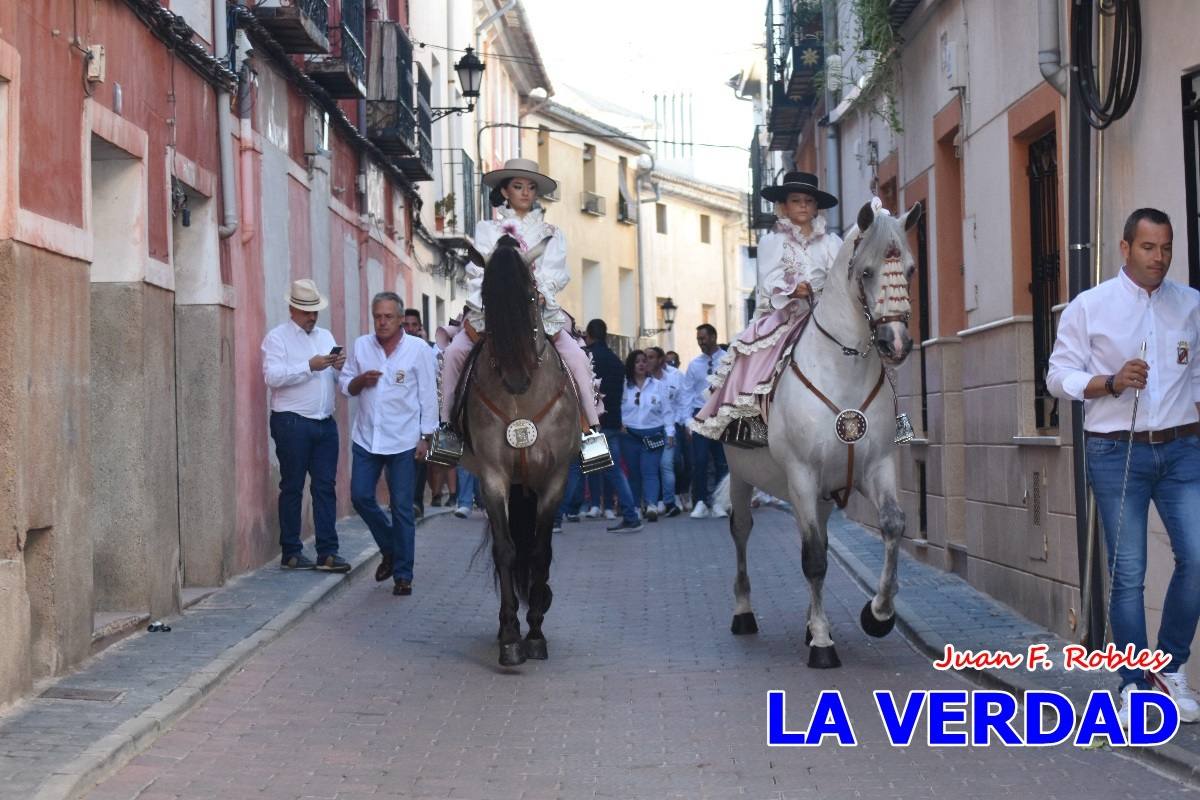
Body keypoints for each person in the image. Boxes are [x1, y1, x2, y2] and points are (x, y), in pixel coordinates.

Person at [1046, 207, 1200, 729]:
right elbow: (1057, 377)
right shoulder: (1090, 308)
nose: (1159, 258)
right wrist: (1109, 382)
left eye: (1166, 248)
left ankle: (1170, 668)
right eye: (1148, 248)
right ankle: (1136, 686)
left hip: (1181, 451)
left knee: (1197, 558)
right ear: (1125, 248)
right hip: (1115, 452)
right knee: (1128, 573)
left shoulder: (1191, 305)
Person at [437, 158, 603, 452]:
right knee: (453, 355)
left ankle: (590, 434)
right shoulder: (487, 229)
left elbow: (556, 272)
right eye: (518, 186)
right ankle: (448, 431)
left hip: (536, 311)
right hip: (492, 312)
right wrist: (497, 294)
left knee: (577, 358)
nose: (526, 192)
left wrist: (540, 293)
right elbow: (477, 271)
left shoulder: (550, 232)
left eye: (530, 187)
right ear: (504, 190)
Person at [691, 171, 841, 446]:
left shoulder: (832, 243)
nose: (804, 205)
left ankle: (896, 422)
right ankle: (751, 423)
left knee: (871, 347)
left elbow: (842, 276)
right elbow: (768, 281)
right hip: (786, 315)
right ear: (784, 206)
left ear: (816, 206)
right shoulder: (772, 242)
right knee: (751, 354)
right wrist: (792, 290)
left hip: (826, 315)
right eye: (796, 200)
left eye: (809, 200)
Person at [340, 292, 438, 596]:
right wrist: (359, 382)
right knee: (360, 497)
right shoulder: (361, 346)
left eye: (388, 317)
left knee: (402, 508)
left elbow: (427, 394)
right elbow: (345, 384)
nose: (382, 322)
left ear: (399, 319)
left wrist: (426, 436)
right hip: (367, 437)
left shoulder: (418, 349)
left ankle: (403, 574)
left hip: (404, 440)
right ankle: (391, 548)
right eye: (378, 317)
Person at [261, 279, 351, 572]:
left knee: (325, 487)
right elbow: (272, 377)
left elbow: (336, 380)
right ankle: (291, 551)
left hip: (325, 422)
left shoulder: (325, 335)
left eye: (314, 311)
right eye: (305, 311)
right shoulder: (277, 338)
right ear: (292, 309)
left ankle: (327, 552)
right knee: (293, 486)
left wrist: (339, 367)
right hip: (292, 421)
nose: (311, 317)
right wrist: (308, 366)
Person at [585, 319, 643, 533]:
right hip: (611, 422)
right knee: (608, 469)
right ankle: (625, 513)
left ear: (589, 335)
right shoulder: (616, 361)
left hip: (593, 423)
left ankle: (630, 516)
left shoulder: (587, 358)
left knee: (601, 470)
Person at [683, 324, 729, 519]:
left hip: (721, 414)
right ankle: (700, 501)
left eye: (703, 338)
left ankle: (720, 502)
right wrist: (687, 421)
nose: (700, 343)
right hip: (700, 415)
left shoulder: (728, 360)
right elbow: (687, 394)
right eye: (698, 339)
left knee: (722, 461)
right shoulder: (694, 365)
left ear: (713, 337)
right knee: (699, 460)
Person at [621, 350, 672, 522]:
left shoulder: (659, 385)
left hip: (654, 433)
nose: (642, 364)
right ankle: (636, 506)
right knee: (634, 473)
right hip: (630, 435)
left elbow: (667, 411)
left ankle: (651, 505)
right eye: (637, 362)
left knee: (650, 472)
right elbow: (618, 408)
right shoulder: (624, 386)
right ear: (631, 365)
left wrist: (670, 432)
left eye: (644, 361)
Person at [646, 346, 686, 517]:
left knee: (668, 464)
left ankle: (670, 499)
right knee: (651, 466)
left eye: (651, 357)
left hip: (670, 426)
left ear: (660, 359)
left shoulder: (673, 378)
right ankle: (656, 501)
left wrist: (678, 426)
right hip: (650, 428)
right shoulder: (642, 382)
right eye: (645, 357)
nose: (647, 361)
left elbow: (681, 401)